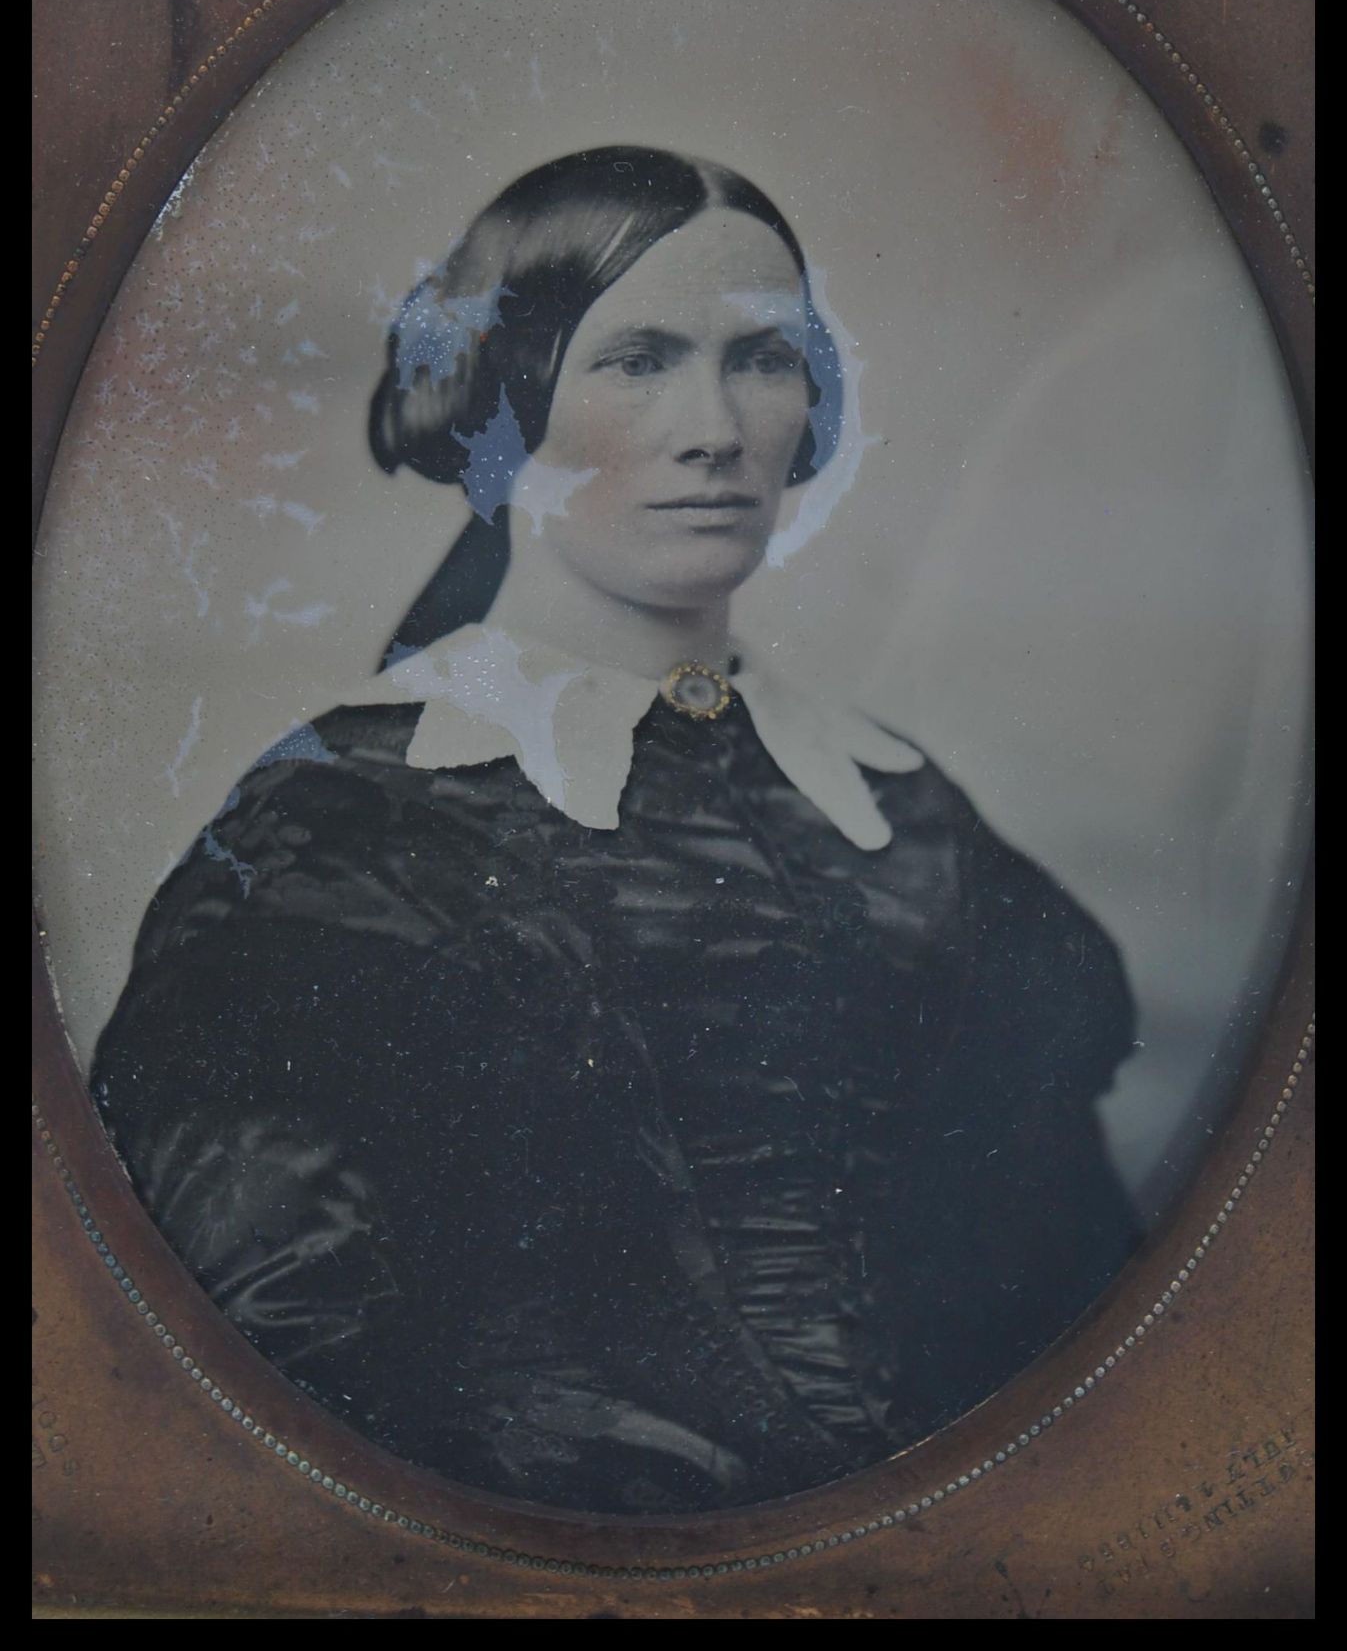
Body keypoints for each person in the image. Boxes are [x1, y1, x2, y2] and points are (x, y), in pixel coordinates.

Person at [92, 146, 1141, 1518]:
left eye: (762, 360)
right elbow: (254, 1391)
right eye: (637, 359)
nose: (714, 427)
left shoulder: (902, 814)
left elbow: (1086, 1305)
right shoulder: (339, 837)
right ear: (509, 398)